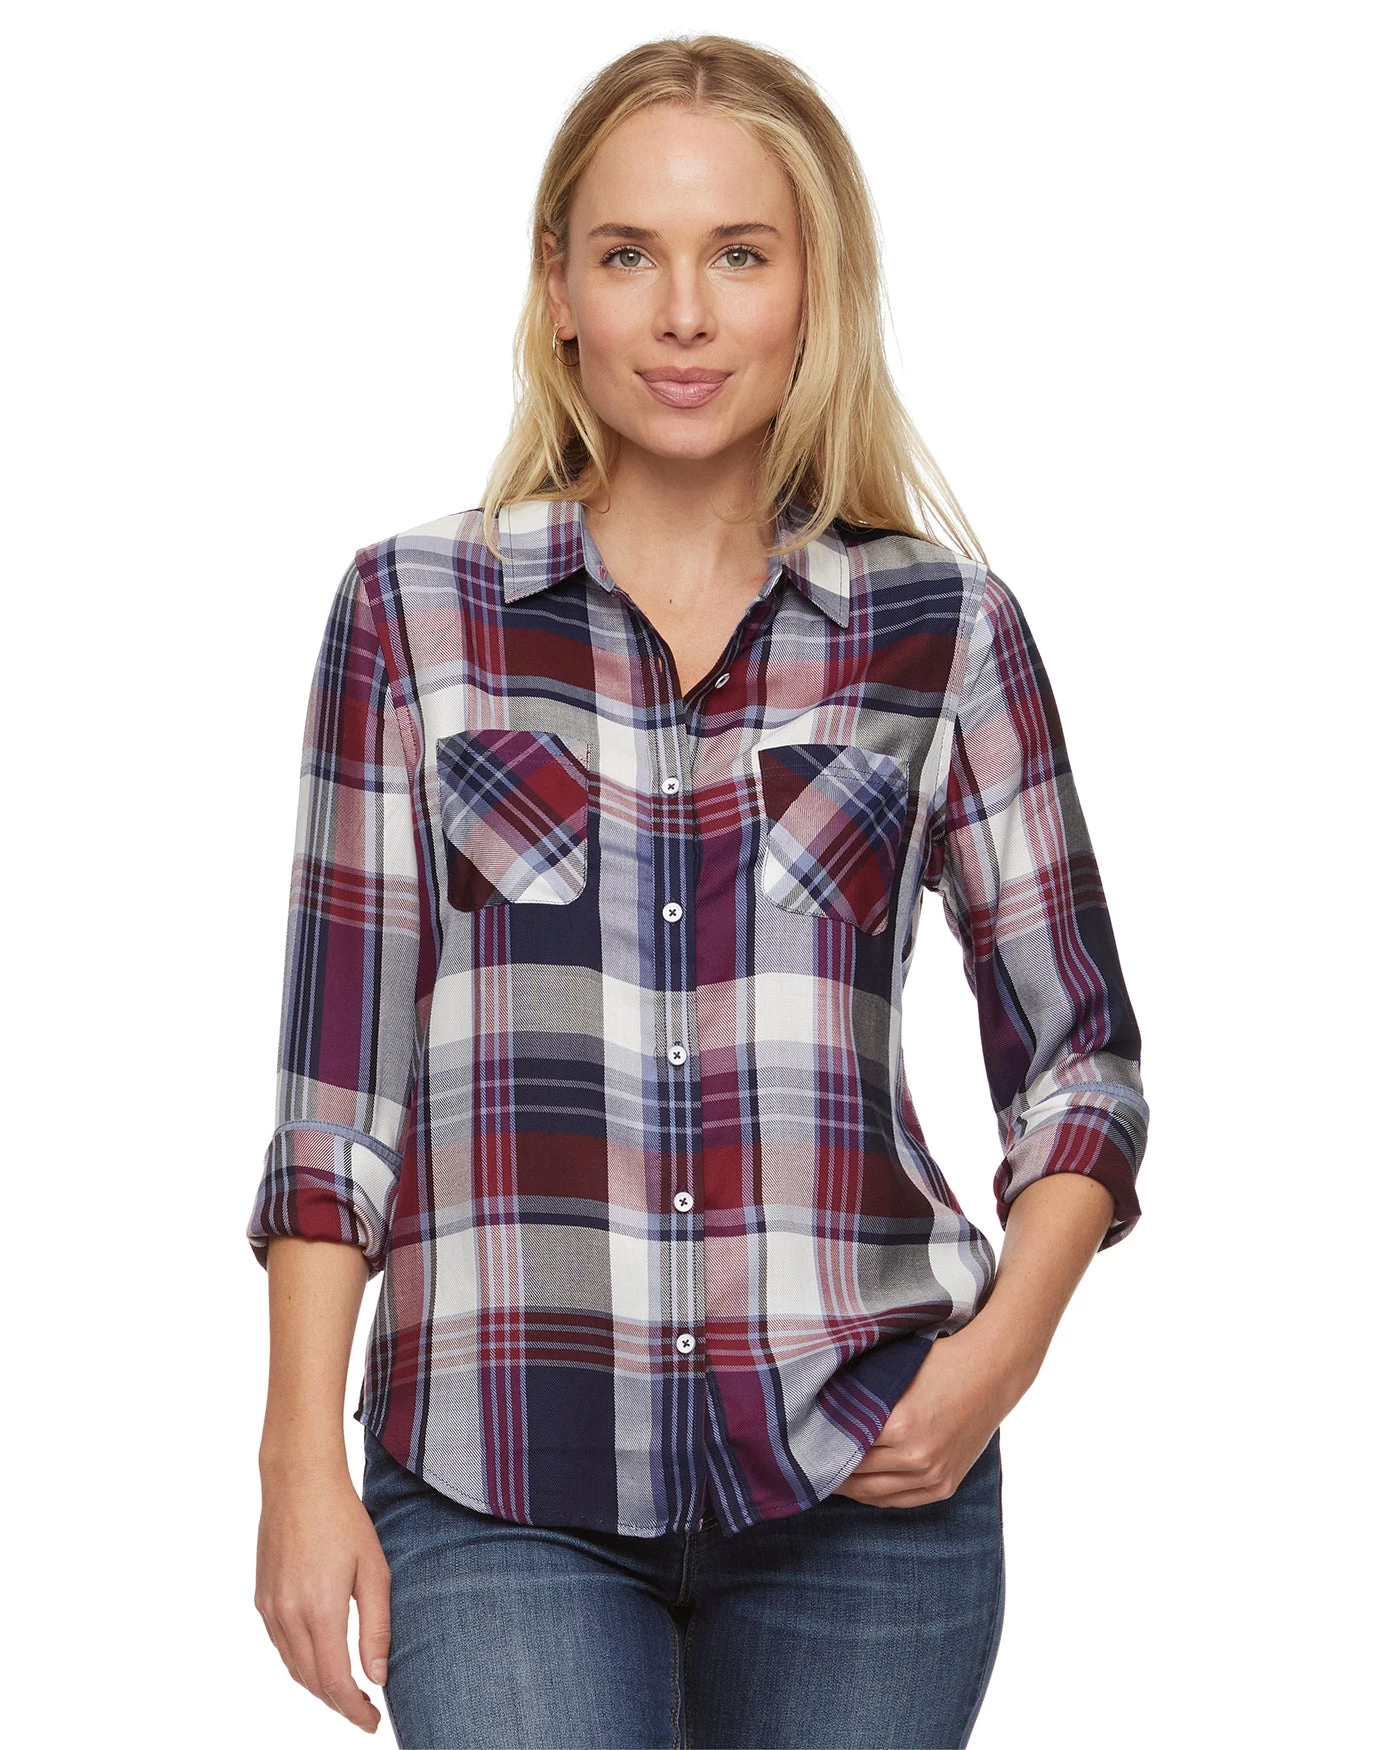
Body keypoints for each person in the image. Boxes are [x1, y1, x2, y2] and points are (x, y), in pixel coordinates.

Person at [247, 32, 1150, 1750]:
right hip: (499, 1472)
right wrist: (298, 1458)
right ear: (558, 290)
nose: (682, 314)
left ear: (814, 290)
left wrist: (997, 1361)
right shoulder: (410, 618)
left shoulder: (941, 632)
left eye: (738, 254)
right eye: (628, 255)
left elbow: (1082, 1059)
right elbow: (335, 1103)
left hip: (866, 1482)